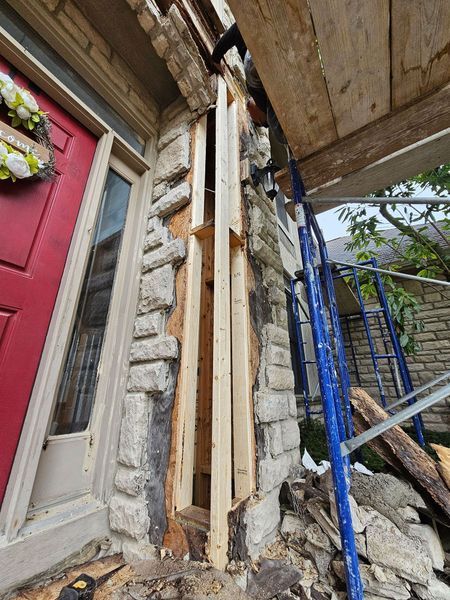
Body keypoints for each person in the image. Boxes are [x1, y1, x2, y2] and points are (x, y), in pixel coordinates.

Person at [212, 23, 286, 145]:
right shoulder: (268, 107)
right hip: (270, 45)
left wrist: (216, 57)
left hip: (264, 52)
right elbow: (240, 27)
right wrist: (216, 57)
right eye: (251, 118)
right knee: (279, 135)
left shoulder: (256, 88)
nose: (246, 109)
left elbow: (238, 30)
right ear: (261, 120)